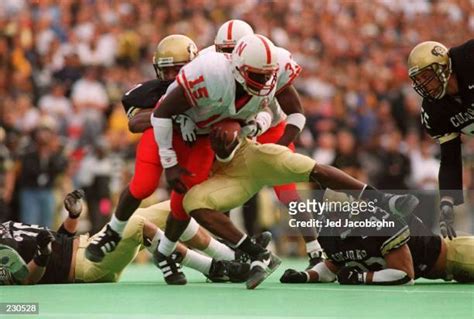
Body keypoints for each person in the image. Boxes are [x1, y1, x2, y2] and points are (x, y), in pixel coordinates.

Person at [152, 34, 419, 289]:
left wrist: (274, 143)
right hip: (223, 162)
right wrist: (171, 156)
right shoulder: (208, 72)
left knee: (309, 169)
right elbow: (161, 111)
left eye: (269, 75)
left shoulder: (272, 67)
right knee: (192, 202)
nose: (266, 81)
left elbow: (291, 114)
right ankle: (257, 253)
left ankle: (382, 200)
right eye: (258, 75)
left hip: (251, 149)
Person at [204, 19, 323, 267]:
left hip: (269, 126)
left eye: (234, 51)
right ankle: (231, 248)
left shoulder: (268, 62)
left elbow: (294, 113)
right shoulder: (208, 65)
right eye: (224, 52)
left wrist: (278, 145)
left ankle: (315, 249)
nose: (229, 59)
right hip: (235, 126)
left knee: (287, 189)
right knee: (220, 186)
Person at [84, 34, 203, 263]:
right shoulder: (152, 91)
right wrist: (172, 115)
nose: (170, 77)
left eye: (176, 70)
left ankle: (225, 249)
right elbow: (135, 123)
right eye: (165, 71)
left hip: (194, 148)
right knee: (143, 185)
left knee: (192, 200)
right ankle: (113, 232)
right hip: (162, 144)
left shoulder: (207, 85)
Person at [0, 190, 248, 285]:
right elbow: (24, 280)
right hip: (84, 267)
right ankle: (212, 268)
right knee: (137, 223)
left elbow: (60, 239)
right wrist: (42, 254)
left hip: (90, 245)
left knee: (175, 206)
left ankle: (231, 255)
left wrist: (73, 216)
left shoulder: (6, 225)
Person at [280, 190, 474, 285]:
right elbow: (332, 266)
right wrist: (306, 275)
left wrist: (360, 277)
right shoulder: (330, 231)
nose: (334, 220)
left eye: (339, 213)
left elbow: (405, 275)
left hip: (455, 257)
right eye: (330, 213)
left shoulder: (377, 223)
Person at [407, 39, 474, 240]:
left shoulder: (468, 58)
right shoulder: (434, 110)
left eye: (427, 76)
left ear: (444, 66)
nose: (424, 85)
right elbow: (450, 158)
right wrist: (447, 201)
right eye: (419, 80)